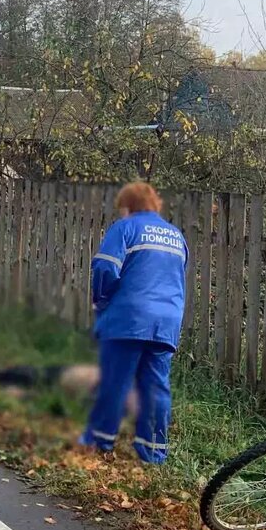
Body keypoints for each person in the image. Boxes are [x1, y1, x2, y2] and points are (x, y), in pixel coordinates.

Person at [78, 181, 187, 464]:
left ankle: (100, 442)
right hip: (166, 322)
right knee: (156, 385)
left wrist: (101, 299)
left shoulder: (125, 228)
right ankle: (153, 452)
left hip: (129, 317)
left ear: (128, 206)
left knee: (116, 380)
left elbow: (105, 267)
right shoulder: (176, 236)